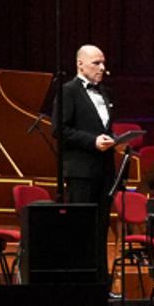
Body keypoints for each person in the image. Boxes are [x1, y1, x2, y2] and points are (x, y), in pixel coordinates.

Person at [59, 44, 117, 205]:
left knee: (101, 225)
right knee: (81, 225)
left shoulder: (105, 92)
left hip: (105, 171)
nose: (102, 68)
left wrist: (115, 140)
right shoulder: (68, 91)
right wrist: (93, 141)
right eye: (96, 63)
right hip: (81, 172)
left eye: (103, 63)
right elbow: (60, 129)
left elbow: (103, 128)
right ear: (80, 64)